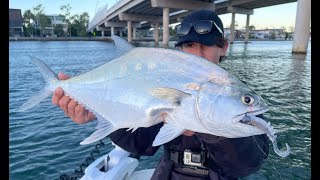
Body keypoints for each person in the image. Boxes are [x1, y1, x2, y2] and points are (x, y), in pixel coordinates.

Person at [52, 10, 269, 180]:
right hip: (169, 173)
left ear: (223, 48)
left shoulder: (240, 97)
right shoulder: (165, 82)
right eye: (190, 45)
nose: (197, 54)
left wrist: (211, 131)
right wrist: (100, 115)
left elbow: (247, 164)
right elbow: (141, 144)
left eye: (207, 45)